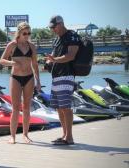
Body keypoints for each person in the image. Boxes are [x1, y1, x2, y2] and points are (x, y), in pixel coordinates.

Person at [0, 22, 41, 144]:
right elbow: (2, 60)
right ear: (19, 33)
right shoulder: (12, 45)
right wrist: (12, 63)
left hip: (29, 78)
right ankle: (12, 136)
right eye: (24, 33)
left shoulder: (32, 46)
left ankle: (25, 135)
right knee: (16, 108)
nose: (27, 35)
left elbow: (35, 65)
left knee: (27, 107)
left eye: (29, 33)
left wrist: (38, 81)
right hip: (16, 78)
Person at [46, 15, 80, 145]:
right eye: (51, 28)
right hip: (56, 76)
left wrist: (55, 60)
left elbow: (71, 56)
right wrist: (49, 62)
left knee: (65, 106)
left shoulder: (72, 36)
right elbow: (53, 55)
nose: (53, 29)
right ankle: (64, 135)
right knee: (59, 108)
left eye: (54, 27)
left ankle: (69, 137)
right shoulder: (57, 39)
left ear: (61, 24)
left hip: (67, 75)